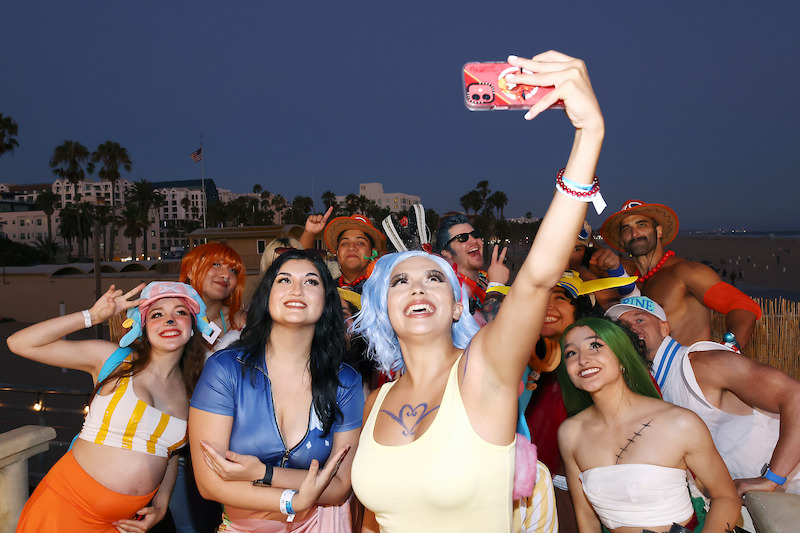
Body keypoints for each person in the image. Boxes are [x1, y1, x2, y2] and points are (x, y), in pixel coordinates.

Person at [349, 50, 606, 531]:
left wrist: (588, 136)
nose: (417, 287)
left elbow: (536, 278)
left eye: (434, 278)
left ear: (455, 306)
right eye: (400, 280)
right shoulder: (376, 401)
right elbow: (372, 522)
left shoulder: (484, 371)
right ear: (384, 307)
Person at [10, 282, 212, 532]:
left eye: (180, 312)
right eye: (157, 314)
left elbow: (170, 453)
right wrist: (92, 316)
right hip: (65, 508)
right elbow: (20, 343)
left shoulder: (195, 386)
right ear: (142, 326)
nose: (169, 320)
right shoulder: (113, 360)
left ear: (192, 326)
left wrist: (161, 505)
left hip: (121, 525)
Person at [188, 249, 364, 531]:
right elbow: (209, 483)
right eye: (284, 280)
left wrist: (264, 473)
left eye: (311, 282)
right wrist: (291, 501)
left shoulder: (345, 381)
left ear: (326, 300)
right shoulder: (225, 370)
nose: (297, 289)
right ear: (267, 296)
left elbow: (340, 485)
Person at [557, 318, 741, 532]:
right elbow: (587, 520)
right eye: (571, 353)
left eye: (595, 345)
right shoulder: (570, 434)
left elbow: (726, 498)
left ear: (621, 357)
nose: (583, 359)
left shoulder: (680, 424)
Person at [607, 296, 800, 496]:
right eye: (623, 326)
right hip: (764, 507)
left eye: (640, 320)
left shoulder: (700, 363)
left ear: (665, 328)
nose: (632, 329)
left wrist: (770, 480)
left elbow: (796, 397)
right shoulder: (654, 388)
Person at [599, 200, 762, 348]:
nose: (635, 234)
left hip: (688, 373)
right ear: (622, 240)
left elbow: (743, 305)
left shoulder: (684, 272)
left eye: (642, 225)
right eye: (627, 229)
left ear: (658, 231)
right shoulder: (628, 282)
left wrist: (730, 347)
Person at [433, 213, 509, 314]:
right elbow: (484, 328)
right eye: (462, 238)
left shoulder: (486, 277)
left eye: (475, 234)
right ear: (446, 253)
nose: (473, 240)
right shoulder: (452, 293)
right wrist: (497, 285)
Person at [300, 206, 388, 294]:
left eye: (360, 243)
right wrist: (309, 233)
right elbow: (302, 263)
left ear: (373, 253)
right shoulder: (325, 287)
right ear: (337, 252)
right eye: (345, 243)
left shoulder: (383, 288)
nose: (351, 247)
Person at [180, 242, 247, 346]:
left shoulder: (241, 321)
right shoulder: (169, 319)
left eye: (233, 270)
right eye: (216, 264)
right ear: (191, 271)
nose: (226, 275)